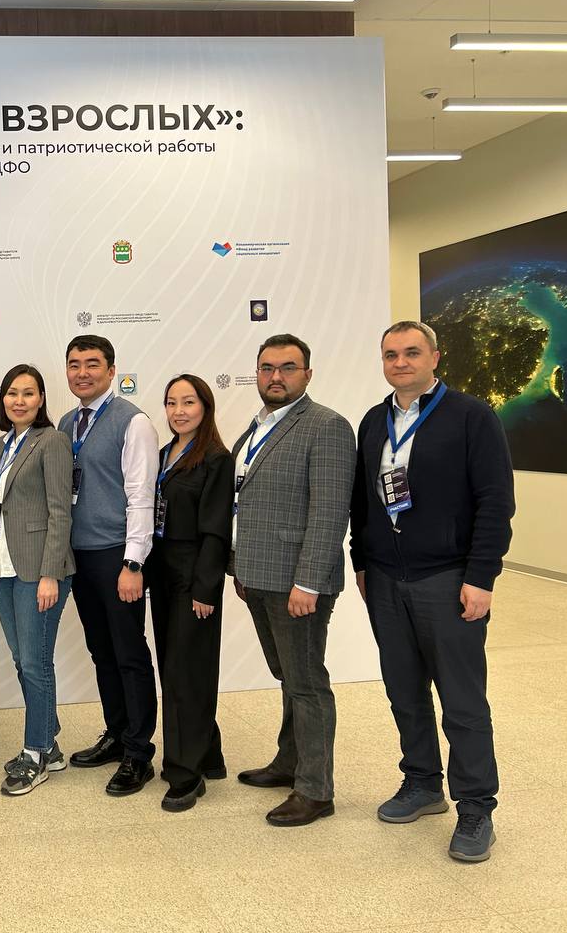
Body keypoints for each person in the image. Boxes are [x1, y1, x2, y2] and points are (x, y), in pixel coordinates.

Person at [350, 321, 513, 862]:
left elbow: (495, 502)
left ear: (435, 358)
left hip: (447, 579)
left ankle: (476, 808)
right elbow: (361, 502)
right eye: (391, 354)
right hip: (385, 578)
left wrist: (481, 576)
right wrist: (361, 562)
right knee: (404, 691)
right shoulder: (373, 421)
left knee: (462, 701)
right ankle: (422, 783)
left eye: (411, 353)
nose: (400, 362)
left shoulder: (472, 417)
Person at [230, 334, 355, 827]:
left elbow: (330, 513)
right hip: (257, 575)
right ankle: (290, 762)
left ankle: (316, 790)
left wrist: (308, 583)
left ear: (307, 374)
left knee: (307, 684)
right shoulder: (257, 426)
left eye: (287, 367)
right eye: (267, 368)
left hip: (296, 584)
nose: (275, 376)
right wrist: (239, 567)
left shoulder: (326, 426)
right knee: (288, 675)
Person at [58, 335, 159, 796]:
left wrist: (133, 562)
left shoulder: (132, 422)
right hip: (80, 556)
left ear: (112, 370)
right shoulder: (67, 422)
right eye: (74, 364)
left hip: (118, 556)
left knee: (129, 654)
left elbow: (142, 496)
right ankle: (117, 734)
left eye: (92, 364)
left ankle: (139, 752)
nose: (82, 372)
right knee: (102, 652)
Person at [0, 364, 74, 796]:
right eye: (12, 393)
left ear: (41, 400)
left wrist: (50, 574)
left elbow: (60, 511)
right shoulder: (3, 444)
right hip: (3, 568)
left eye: (28, 393)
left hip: (39, 572)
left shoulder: (51, 441)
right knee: (25, 661)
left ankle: (35, 752)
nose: (19, 400)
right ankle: (49, 744)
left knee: (36, 663)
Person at [146, 374, 235, 813]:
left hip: (194, 576)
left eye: (188, 402)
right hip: (163, 573)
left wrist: (206, 588)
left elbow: (217, 529)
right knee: (176, 667)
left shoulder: (216, 458)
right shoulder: (166, 453)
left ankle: (185, 773)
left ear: (205, 407)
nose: (178, 411)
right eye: (171, 403)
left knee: (187, 673)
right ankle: (209, 754)